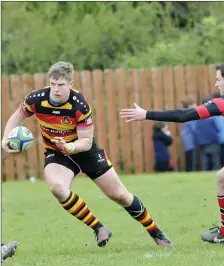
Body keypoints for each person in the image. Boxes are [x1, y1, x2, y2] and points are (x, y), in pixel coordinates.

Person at [1, 61, 172, 248]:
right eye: (53, 84)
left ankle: (156, 233)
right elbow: (18, 115)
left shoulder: (80, 105)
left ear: (70, 84)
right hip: (57, 153)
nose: (56, 89)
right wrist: (4, 138)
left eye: (61, 85)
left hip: (85, 152)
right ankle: (98, 228)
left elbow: (86, 141)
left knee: (120, 195)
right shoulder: (36, 99)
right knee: (57, 188)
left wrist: (70, 147)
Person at [120, 61, 224, 244]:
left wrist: (147, 114)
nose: (216, 84)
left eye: (218, 80)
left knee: (222, 179)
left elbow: (185, 115)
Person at [180, 96, 198, 172]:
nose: (196, 105)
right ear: (190, 105)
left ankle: (189, 170)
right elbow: (194, 127)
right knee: (191, 157)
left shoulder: (185, 112)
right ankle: (191, 171)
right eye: (194, 103)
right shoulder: (190, 113)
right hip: (189, 138)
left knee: (189, 156)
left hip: (186, 138)